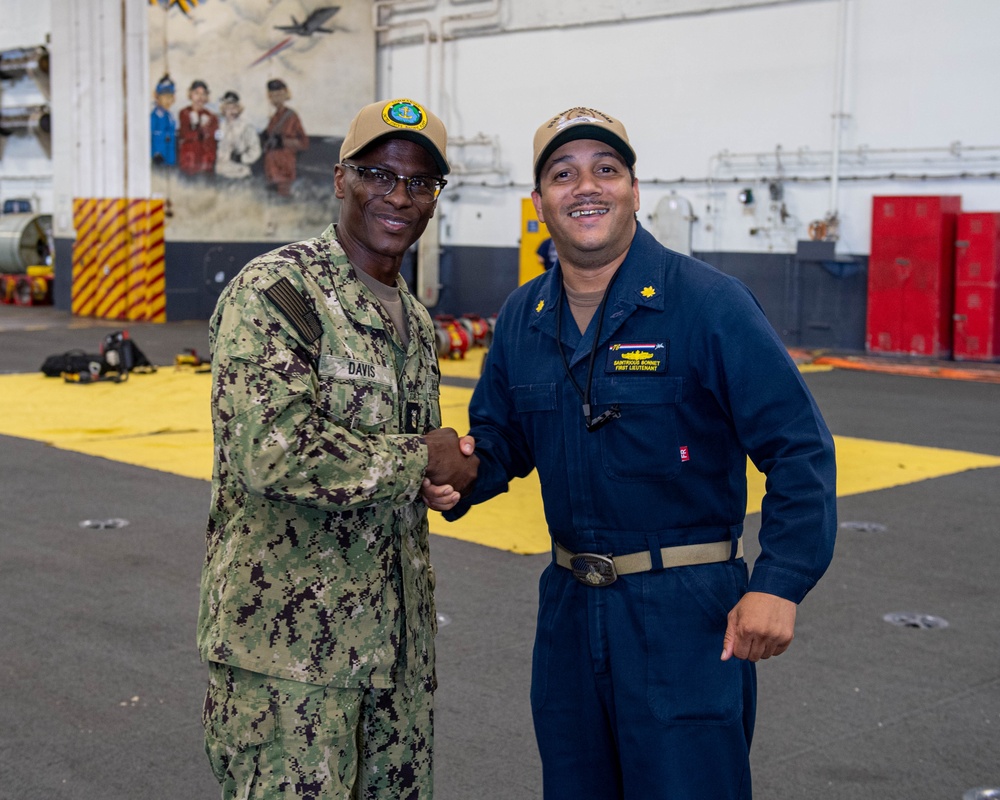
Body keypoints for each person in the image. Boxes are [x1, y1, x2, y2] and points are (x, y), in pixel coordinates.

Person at [440, 107, 838, 799]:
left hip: (685, 614)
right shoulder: (522, 318)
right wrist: (461, 476)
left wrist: (780, 580)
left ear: (633, 188)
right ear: (540, 203)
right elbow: (503, 438)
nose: (585, 187)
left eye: (605, 169)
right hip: (568, 607)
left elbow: (798, 446)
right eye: (563, 174)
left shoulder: (709, 304)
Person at [198, 97, 477, 800]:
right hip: (289, 662)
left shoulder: (413, 318)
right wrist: (424, 460)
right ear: (340, 178)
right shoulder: (276, 293)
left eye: (419, 183)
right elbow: (273, 450)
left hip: (395, 659)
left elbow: (395, 460)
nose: (399, 197)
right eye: (379, 174)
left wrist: (440, 481)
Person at [262, 78, 308, 196]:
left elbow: (304, 143)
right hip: (271, 169)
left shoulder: (292, 117)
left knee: (284, 199)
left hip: (284, 168)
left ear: (285, 95)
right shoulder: (273, 119)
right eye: (272, 95)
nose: (275, 98)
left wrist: (283, 141)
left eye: (278, 94)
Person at [214, 90, 261, 181]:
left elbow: (256, 150)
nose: (231, 111)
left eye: (234, 107)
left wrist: (241, 158)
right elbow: (216, 145)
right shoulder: (220, 128)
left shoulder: (247, 128)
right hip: (222, 175)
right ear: (223, 109)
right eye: (228, 108)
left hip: (240, 175)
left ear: (239, 109)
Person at [177, 79, 219, 177]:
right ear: (190, 94)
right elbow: (184, 134)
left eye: (203, 94)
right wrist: (199, 129)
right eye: (196, 93)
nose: (200, 97)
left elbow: (213, 138)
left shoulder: (211, 117)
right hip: (189, 162)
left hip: (205, 163)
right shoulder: (184, 113)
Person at [150, 74, 177, 167]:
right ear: (157, 96)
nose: (168, 100)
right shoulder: (153, 117)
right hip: (157, 162)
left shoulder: (171, 117)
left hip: (170, 162)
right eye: (165, 96)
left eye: (170, 96)